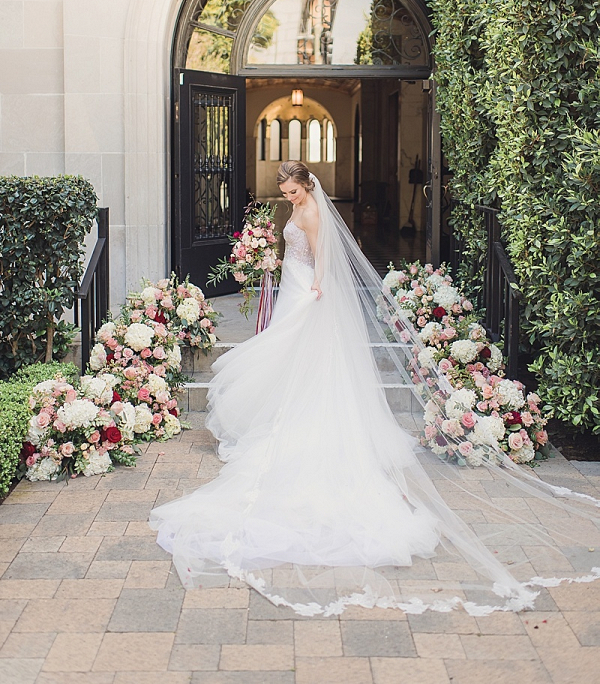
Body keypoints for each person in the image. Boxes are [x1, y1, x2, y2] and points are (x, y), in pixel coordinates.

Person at [150, 161, 600, 616]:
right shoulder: (297, 210)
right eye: (284, 193)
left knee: (297, 354)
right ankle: (282, 410)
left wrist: (319, 284)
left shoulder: (313, 213)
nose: (289, 198)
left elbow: (324, 253)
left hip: (308, 287)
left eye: (292, 192)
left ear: (307, 187)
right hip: (291, 284)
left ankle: (298, 416)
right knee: (287, 356)